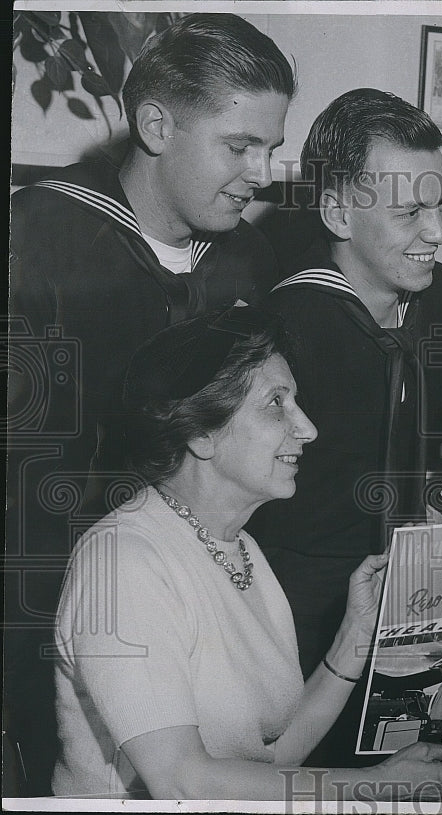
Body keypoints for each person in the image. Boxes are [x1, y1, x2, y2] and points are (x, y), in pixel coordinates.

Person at [52, 306, 442, 799]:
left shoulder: (241, 547)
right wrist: (378, 784)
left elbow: (273, 758)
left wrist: (356, 633)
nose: (308, 428)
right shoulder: (123, 560)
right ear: (200, 433)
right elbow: (182, 780)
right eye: (276, 404)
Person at [6, 13, 294, 793]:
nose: (262, 172)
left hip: (200, 603)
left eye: (271, 146)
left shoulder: (248, 262)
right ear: (157, 125)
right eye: (240, 146)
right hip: (43, 612)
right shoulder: (34, 238)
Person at [249, 89, 442, 766]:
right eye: (410, 211)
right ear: (336, 210)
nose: (439, 231)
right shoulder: (276, 334)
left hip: (434, 631)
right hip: (300, 644)